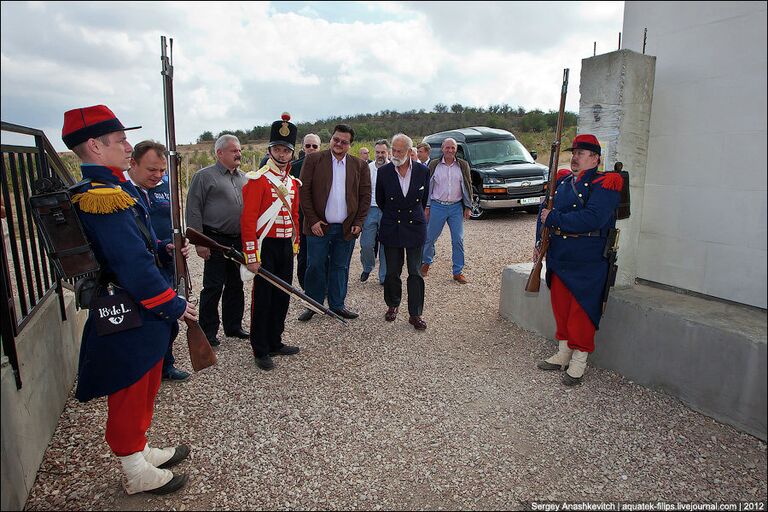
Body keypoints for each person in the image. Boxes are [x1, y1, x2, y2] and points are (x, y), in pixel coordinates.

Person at [62, 105, 194, 495]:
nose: (126, 146)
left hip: (137, 306)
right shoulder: (101, 195)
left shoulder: (111, 189)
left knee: (146, 379)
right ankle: (133, 468)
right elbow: (132, 264)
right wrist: (173, 304)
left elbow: (137, 246)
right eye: (119, 140)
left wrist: (163, 247)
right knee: (131, 384)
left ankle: (138, 449)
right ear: (94, 146)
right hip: (131, 308)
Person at [535, 134, 622, 386]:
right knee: (561, 306)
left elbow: (593, 218)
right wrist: (539, 243)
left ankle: (579, 361)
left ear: (595, 158)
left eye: (581, 153)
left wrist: (554, 220)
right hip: (560, 254)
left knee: (581, 311)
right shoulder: (563, 182)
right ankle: (563, 353)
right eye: (574, 152)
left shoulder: (606, 183)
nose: (575, 157)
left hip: (588, 258)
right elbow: (544, 212)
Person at [241, 113, 302, 371]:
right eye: (277, 149)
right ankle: (261, 348)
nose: (282, 154)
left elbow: (295, 215)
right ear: (270, 150)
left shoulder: (292, 182)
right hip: (266, 245)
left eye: (286, 150)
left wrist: (295, 243)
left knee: (282, 295)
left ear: (291, 153)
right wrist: (252, 256)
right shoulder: (257, 180)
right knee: (263, 298)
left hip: (285, 245)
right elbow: (248, 221)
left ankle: (275, 340)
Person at [126, 140, 189, 382]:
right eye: (152, 170)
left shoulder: (165, 186)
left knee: (167, 318)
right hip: (139, 266)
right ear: (133, 163)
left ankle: (166, 365)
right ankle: (143, 370)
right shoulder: (123, 192)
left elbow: (173, 221)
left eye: (162, 170)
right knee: (143, 320)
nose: (158, 175)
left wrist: (178, 243)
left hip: (166, 258)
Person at [298, 124, 371, 321]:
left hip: (346, 227)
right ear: (331, 139)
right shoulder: (314, 159)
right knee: (315, 265)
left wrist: (359, 221)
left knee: (340, 266)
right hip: (319, 226)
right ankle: (313, 304)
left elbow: (365, 196)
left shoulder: (359, 165)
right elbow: (303, 192)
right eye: (336, 139)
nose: (339, 144)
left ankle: (338, 304)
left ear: (350, 144)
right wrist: (312, 220)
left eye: (344, 142)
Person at [186, 134, 249, 346]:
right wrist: (199, 241)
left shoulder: (245, 178)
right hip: (214, 239)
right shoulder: (204, 176)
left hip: (238, 240)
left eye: (239, 150)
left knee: (236, 284)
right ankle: (208, 330)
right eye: (234, 150)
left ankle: (234, 327)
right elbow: (193, 209)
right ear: (219, 153)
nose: (238, 154)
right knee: (213, 286)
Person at [376, 134, 430, 330]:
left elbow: (423, 200)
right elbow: (381, 201)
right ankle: (392, 304)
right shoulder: (384, 172)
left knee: (415, 272)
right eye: (394, 150)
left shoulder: (423, 171)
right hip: (392, 226)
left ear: (409, 152)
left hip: (415, 226)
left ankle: (415, 314)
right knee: (392, 271)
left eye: (399, 151)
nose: (395, 154)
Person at [421, 138, 474, 283]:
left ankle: (458, 271)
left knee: (458, 239)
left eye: (452, 148)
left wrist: (468, 206)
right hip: (437, 206)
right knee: (430, 238)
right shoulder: (434, 165)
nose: (450, 150)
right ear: (442, 149)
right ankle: (426, 263)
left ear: (456, 150)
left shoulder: (463, 165)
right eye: (447, 148)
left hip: (456, 207)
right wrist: (427, 206)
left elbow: (468, 185)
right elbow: (428, 187)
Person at [291, 133, 322, 290]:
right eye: (308, 145)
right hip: (301, 219)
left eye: (314, 146)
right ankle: (306, 288)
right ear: (303, 147)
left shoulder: (327, 167)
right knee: (303, 256)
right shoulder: (294, 167)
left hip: (322, 219)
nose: (311, 149)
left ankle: (322, 288)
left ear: (320, 147)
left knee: (321, 257)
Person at [359, 139, 390, 284]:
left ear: (388, 152)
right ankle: (368, 266)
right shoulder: (368, 168)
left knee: (385, 245)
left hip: (387, 211)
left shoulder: (394, 168)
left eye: (383, 152)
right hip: (370, 209)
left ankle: (383, 276)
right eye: (377, 152)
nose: (380, 155)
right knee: (366, 244)